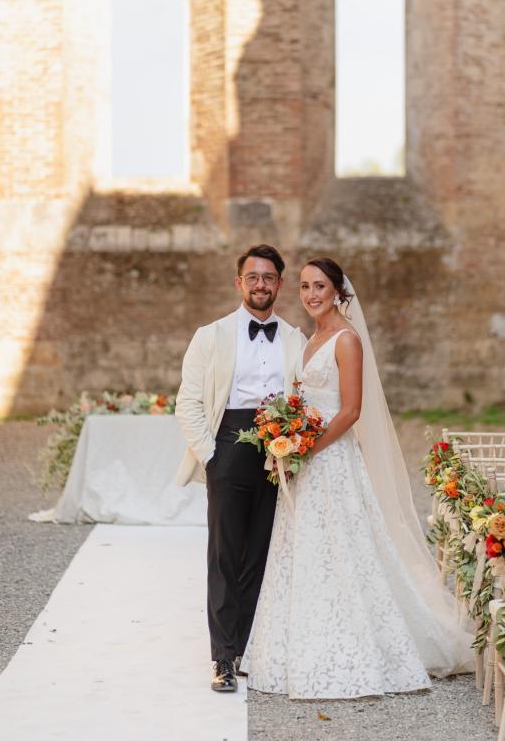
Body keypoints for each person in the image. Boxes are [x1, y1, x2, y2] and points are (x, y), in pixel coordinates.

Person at [241, 257, 474, 699]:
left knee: (345, 547)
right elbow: (300, 402)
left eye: (320, 286)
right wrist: (284, 439)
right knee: (306, 547)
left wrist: (306, 449)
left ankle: (360, 648)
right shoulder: (309, 340)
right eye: (305, 286)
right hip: (304, 459)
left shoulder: (346, 340)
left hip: (332, 460)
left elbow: (350, 411)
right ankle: (298, 646)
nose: (311, 295)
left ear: (338, 291)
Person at [175, 244, 305, 693]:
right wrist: (211, 455)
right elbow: (189, 401)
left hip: (279, 449)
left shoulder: (296, 340)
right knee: (225, 554)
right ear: (239, 283)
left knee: (262, 551)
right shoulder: (210, 336)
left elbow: (304, 397)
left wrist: (294, 447)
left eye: (268, 277)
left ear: (280, 284)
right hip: (228, 444)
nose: (260, 285)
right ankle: (222, 657)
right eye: (253, 277)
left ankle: (248, 647)